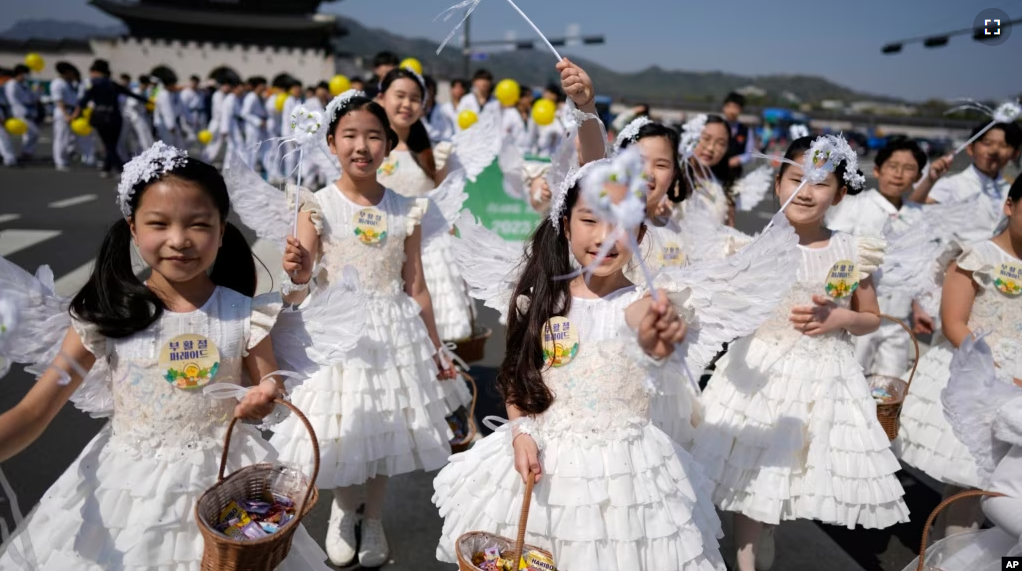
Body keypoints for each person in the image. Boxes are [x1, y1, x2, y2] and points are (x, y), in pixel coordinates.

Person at [0, 142, 332, 570]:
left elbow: (272, 388)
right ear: (133, 229)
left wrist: (262, 398)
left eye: (198, 224)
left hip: (225, 488)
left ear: (222, 231)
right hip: (123, 489)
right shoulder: (103, 316)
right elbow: (35, 410)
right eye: (159, 223)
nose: (179, 240)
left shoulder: (245, 312)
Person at [433, 157, 727, 571]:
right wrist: (520, 433)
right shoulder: (542, 300)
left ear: (641, 232)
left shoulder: (643, 303)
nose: (604, 237)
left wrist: (655, 339)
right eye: (590, 220)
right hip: (542, 464)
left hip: (622, 477)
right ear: (565, 223)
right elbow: (519, 380)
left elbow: (649, 340)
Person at [690, 135, 909, 571]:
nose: (805, 191)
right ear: (778, 183)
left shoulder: (851, 249)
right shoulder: (752, 248)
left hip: (823, 382)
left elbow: (870, 317)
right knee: (751, 506)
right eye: (796, 178)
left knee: (777, 506)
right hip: (761, 381)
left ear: (840, 193)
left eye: (821, 183)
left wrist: (841, 320)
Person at [266, 92, 466, 568]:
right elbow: (300, 285)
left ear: (389, 144)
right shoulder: (317, 204)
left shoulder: (407, 208)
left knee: (386, 425)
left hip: (395, 333)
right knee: (348, 426)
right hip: (340, 333)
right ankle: (341, 511)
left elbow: (416, 285)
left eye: (374, 136)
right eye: (350, 136)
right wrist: (295, 273)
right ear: (331, 143)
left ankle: (371, 516)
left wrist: (438, 348)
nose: (362, 146)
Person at [897, 176, 1022, 539]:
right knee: (974, 484)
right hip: (977, 378)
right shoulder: (977, 255)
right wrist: (996, 374)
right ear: (1010, 206)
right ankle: (951, 557)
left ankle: (947, 555)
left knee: (990, 487)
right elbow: (953, 322)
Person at [827, 137, 929, 377]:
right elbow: (835, 251)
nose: (899, 174)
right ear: (877, 170)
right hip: (859, 313)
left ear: (917, 177)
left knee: (889, 383)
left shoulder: (918, 215)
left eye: (908, 169)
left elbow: (919, 266)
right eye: (893, 167)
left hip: (898, 317)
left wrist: (919, 307)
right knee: (848, 376)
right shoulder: (855, 205)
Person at [911, 122, 1021, 239]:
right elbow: (912, 208)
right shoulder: (953, 184)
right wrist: (929, 181)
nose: (994, 150)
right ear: (970, 148)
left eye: (1003, 145)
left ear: (1014, 154)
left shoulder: (1011, 190)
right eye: (987, 143)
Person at [73, 59, 148, 177]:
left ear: (96, 71)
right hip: (116, 118)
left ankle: (120, 169)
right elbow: (130, 94)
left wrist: (74, 115)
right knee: (112, 144)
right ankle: (106, 168)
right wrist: (147, 101)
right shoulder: (113, 84)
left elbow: (83, 101)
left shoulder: (94, 84)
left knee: (109, 145)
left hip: (101, 118)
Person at [50, 61, 82, 171]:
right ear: (66, 72)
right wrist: (66, 115)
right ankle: (59, 161)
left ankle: (64, 159)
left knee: (66, 138)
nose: (72, 75)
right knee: (60, 138)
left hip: (70, 112)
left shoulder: (68, 83)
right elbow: (59, 101)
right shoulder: (58, 83)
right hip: (63, 112)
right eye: (70, 72)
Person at [3, 64, 38, 160]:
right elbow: (13, 101)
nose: (27, 76)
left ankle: (27, 153)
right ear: (20, 74)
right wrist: (23, 111)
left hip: (28, 111)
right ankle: (25, 153)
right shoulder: (12, 84)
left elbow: (31, 98)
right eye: (25, 74)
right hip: (18, 112)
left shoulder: (24, 84)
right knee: (33, 132)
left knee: (30, 134)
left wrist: (36, 92)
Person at [720, 92, 755, 186]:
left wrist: (739, 159)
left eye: (735, 107)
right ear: (724, 107)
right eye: (729, 106)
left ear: (741, 110)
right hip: (715, 171)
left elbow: (750, 153)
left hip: (734, 175)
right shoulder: (717, 126)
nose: (731, 111)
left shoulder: (746, 130)